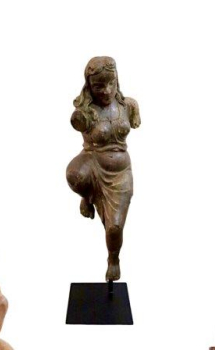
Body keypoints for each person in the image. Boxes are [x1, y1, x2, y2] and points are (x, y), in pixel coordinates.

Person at [66, 56, 141, 281]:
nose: (107, 90)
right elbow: (76, 121)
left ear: (117, 80)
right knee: (74, 175)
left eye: (111, 83)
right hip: (92, 163)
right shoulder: (86, 112)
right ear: (89, 87)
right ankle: (87, 196)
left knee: (115, 227)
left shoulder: (129, 106)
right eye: (99, 86)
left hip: (120, 171)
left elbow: (135, 122)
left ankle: (113, 259)